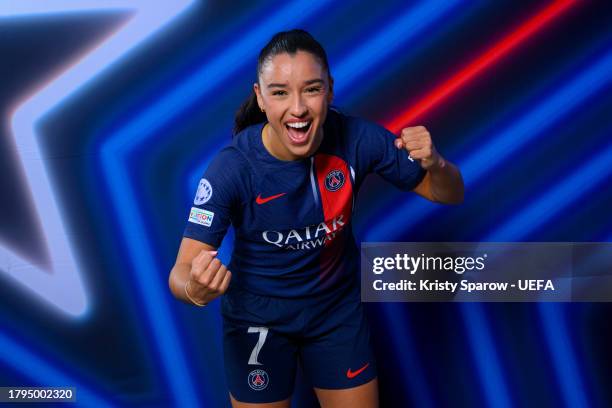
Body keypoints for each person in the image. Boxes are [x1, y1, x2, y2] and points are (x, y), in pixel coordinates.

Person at [168, 29, 464, 408]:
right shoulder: (232, 168)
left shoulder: (358, 140)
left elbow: (450, 193)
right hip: (258, 322)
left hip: (335, 315)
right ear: (260, 98)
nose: (298, 109)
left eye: (311, 89)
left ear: (330, 90)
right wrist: (195, 288)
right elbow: (180, 273)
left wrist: (436, 163)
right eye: (279, 92)